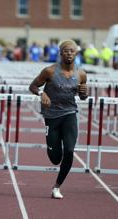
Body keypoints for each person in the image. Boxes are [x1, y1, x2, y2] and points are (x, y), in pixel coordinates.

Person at [29, 40, 88, 199]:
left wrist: (84, 93)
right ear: (60, 53)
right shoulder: (49, 71)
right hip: (52, 117)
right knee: (55, 158)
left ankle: (57, 187)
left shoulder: (81, 74)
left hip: (70, 114)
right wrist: (42, 94)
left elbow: (82, 96)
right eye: (66, 51)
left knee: (69, 151)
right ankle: (53, 148)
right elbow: (33, 86)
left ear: (76, 53)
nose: (69, 53)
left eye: (72, 51)